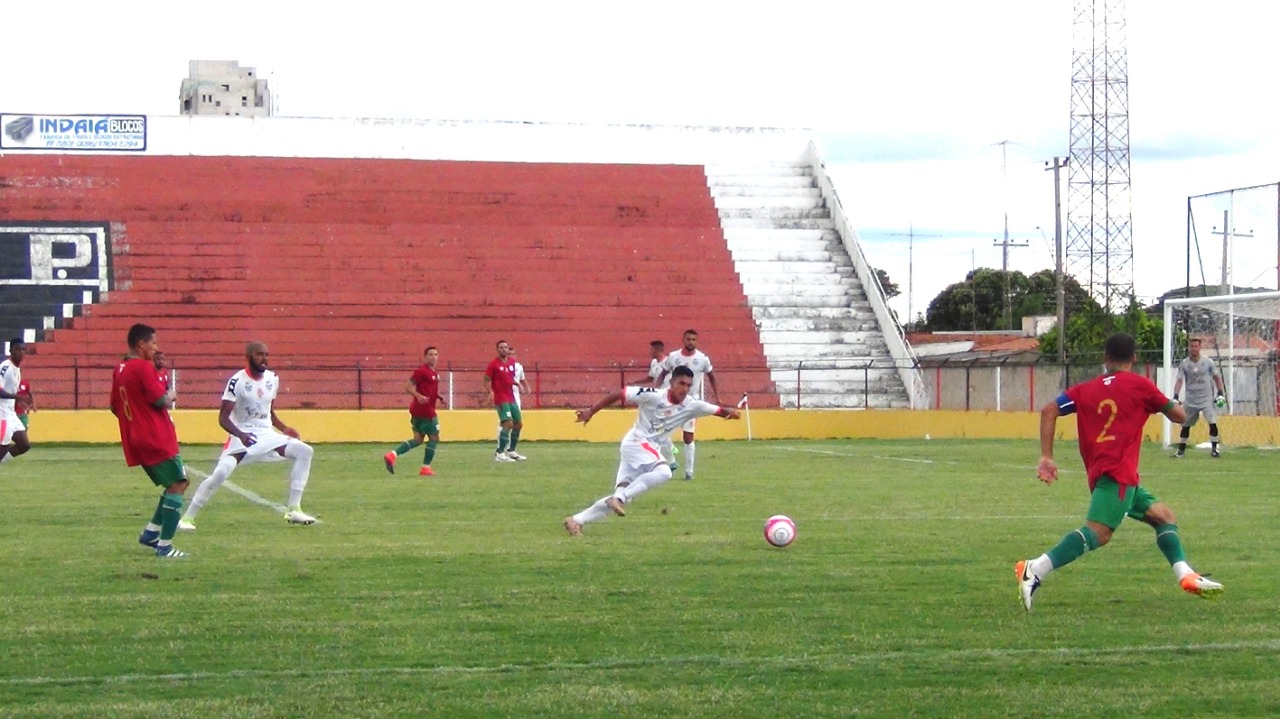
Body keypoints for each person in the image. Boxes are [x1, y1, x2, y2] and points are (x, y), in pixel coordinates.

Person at [1015, 332, 1224, 611]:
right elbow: (1180, 416)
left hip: (1108, 474)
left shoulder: (1084, 390)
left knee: (1163, 516)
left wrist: (1046, 457)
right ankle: (1034, 569)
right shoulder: (1140, 385)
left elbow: (1048, 410)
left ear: (1105, 359)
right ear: (1134, 358)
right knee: (1098, 534)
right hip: (1118, 474)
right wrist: (1177, 399)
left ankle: (1185, 574)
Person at [564, 366, 740, 536]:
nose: (685, 388)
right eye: (681, 383)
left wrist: (731, 413)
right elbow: (620, 393)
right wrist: (591, 411)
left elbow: (718, 410)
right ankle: (620, 497)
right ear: (671, 382)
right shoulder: (653, 395)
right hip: (637, 442)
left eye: (688, 385)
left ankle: (576, 520)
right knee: (664, 472)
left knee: (621, 495)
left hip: (641, 449)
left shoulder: (692, 405)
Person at [179, 341, 317, 530]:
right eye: (259, 354)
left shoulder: (272, 379)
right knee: (220, 474)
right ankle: (187, 518)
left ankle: (294, 508)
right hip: (243, 435)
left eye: (266, 354)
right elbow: (223, 418)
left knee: (305, 451)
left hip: (267, 434)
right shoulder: (237, 382)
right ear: (249, 357)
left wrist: (283, 429)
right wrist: (240, 434)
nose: (264, 359)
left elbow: (269, 411)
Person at [110, 324, 189, 558]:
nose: (156, 347)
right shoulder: (143, 367)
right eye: (153, 343)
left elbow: (115, 406)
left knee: (177, 483)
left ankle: (151, 533)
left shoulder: (120, 368)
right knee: (177, 484)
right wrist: (172, 395)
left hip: (136, 437)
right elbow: (161, 400)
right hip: (155, 436)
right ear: (141, 344)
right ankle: (164, 546)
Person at [655, 329, 718, 480]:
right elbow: (663, 373)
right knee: (661, 431)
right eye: (688, 339)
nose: (691, 342)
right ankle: (671, 461)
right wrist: (656, 390)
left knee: (688, 436)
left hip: (691, 402)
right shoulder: (674, 357)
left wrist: (718, 397)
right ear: (683, 340)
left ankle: (689, 472)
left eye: (694, 340)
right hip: (673, 401)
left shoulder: (702, 359)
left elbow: (712, 377)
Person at [384, 346, 443, 476]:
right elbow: (408, 386)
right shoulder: (422, 371)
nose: (433, 357)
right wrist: (419, 396)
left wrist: (438, 396)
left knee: (418, 439)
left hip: (417, 411)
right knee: (434, 437)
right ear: (425, 357)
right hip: (425, 411)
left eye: (435, 354)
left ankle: (392, 455)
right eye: (430, 354)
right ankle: (425, 468)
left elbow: (429, 389)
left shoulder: (433, 373)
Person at [1171, 338, 1226, 458]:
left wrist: (1220, 393)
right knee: (1185, 423)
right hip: (1191, 399)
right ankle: (1181, 451)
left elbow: (1217, 377)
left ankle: (1215, 449)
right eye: (1192, 346)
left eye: (1196, 346)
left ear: (1200, 347)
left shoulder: (1208, 362)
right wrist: (1175, 396)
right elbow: (1179, 380)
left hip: (1206, 398)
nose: (1194, 349)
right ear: (1189, 348)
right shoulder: (1185, 363)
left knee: (1212, 422)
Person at [483, 339, 525, 462]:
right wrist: (490, 391)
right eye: (501, 347)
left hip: (511, 397)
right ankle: (500, 453)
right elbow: (486, 379)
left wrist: (516, 383)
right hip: (500, 398)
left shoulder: (511, 363)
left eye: (505, 347)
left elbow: (508, 378)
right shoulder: (493, 364)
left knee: (518, 424)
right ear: (497, 350)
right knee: (508, 423)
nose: (503, 349)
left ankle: (511, 451)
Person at [0, 339, 32, 464]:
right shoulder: (5, 367)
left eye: (23, 349)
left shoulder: (17, 369)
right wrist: (17, 397)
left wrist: (18, 401)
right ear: (10, 351)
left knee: (24, 445)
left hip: (11, 413)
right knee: (3, 446)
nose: (21, 352)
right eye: (17, 349)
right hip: (2, 413)